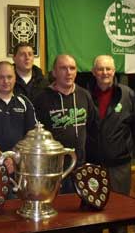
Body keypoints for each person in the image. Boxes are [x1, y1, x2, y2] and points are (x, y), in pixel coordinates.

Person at [87, 55, 135, 232]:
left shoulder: (128, 95)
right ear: (93, 72)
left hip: (119, 167)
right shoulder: (84, 94)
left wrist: (125, 152)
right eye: (101, 69)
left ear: (114, 71)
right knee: (92, 215)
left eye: (108, 69)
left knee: (119, 215)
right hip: (93, 166)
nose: (105, 73)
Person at [33, 54, 98, 193]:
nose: (68, 72)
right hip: (52, 170)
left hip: (79, 168)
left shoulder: (84, 95)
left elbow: (93, 126)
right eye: (63, 68)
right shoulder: (42, 98)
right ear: (54, 72)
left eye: (72, 68)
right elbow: (34, 135)